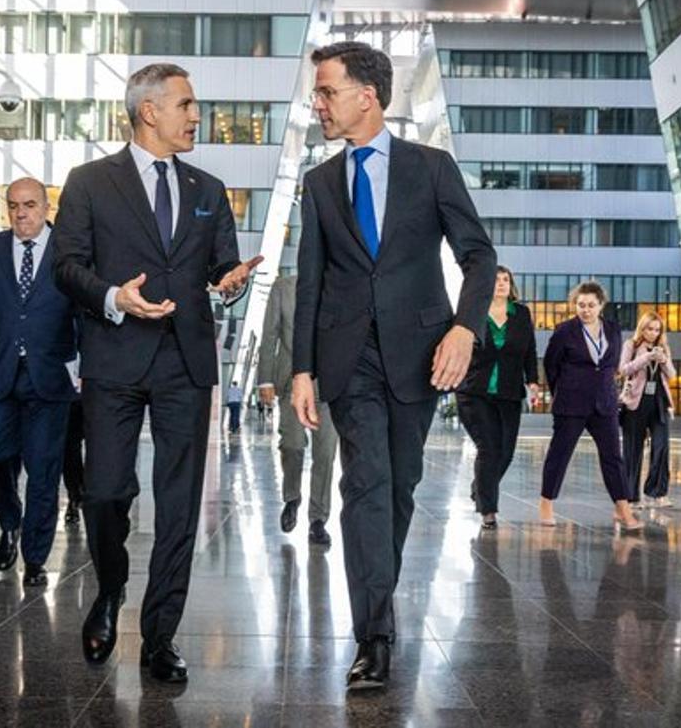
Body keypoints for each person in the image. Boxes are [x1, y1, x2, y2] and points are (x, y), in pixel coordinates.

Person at [291, 41, 497, 689]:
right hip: (348, 358)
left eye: (327, 91)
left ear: (367, 95)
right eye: (317, 92)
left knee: (399, 486)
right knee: (367, 484)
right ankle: (373, 636)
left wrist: (465, 328)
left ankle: (378, 598)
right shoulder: (319, 182)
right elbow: (310, 279)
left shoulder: (430, 169)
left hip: (420, 354)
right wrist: (302, 369)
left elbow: (479, 256)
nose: (317, 103)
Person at [52, 63, 261, 683]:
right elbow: (67, 266)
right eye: (187, 105)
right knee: (107, 491)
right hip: (115, 356)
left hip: (185, 362)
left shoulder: (208, 188)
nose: (197, 116)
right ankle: (110, 590)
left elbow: (221, 267)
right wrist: (115, 297)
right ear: (150, 111)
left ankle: (160, 633)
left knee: (178, 506)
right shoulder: (89, 182)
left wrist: (229, 283)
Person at [0, 178, 79, 587]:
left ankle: (36, 559)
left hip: (51, 376)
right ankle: (10, 521)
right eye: (13, 206)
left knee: (44, 469)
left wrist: (85, 370)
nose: (21, 213)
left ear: (46, 207)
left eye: (29, 205)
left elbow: (84, 314)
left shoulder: (69, 252)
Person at [538, 281, 642, 533]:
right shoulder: (564, 331)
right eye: (581, 305)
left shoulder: (613, 329)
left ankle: (623, 508)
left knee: (613, 458)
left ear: (601, 306)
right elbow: (551, 366)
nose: (585, 310)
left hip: (604, 403)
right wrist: (560, 392)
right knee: (560, 454)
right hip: (571, 403)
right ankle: (546, 503)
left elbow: (610, 365)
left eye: (591, 305)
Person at [257, 273, 338, 546]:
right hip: (292, 380)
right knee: (291, 444)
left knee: (325, 453)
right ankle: (292, 497)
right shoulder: (284, 287)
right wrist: (265, 379)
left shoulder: (340, 283)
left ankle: (318, 519)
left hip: (329, 384)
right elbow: (269, 334)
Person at [455, 265, 538, 529]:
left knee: (507, 452)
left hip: (509, 392)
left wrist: (533, 381)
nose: (500, 283)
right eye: (495, 279)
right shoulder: (473, 312)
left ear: (510, 285)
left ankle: (481, 486)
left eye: (505, 279)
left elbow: (530, 350)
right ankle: (487, 511)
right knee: (489, 448)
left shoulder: (521, 314)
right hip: (474, 392)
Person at [619, 311, 677, 508]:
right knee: (632, 450)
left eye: (657, 329)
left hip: (659, 402)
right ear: (642, 329)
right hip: (635, 402)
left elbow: (672, 375)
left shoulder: (664, 348)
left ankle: (657, 493)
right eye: (649, 329)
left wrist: (663, 360)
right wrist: (645, 358)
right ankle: (631, 497)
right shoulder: (632, 345)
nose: (653, 333)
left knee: (662, 447)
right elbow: (623, 369)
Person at [62, 381, 85, 526]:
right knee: (70, 447)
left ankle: (81, 493)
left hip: (99, 384)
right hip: (72, 390)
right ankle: (75, 495)